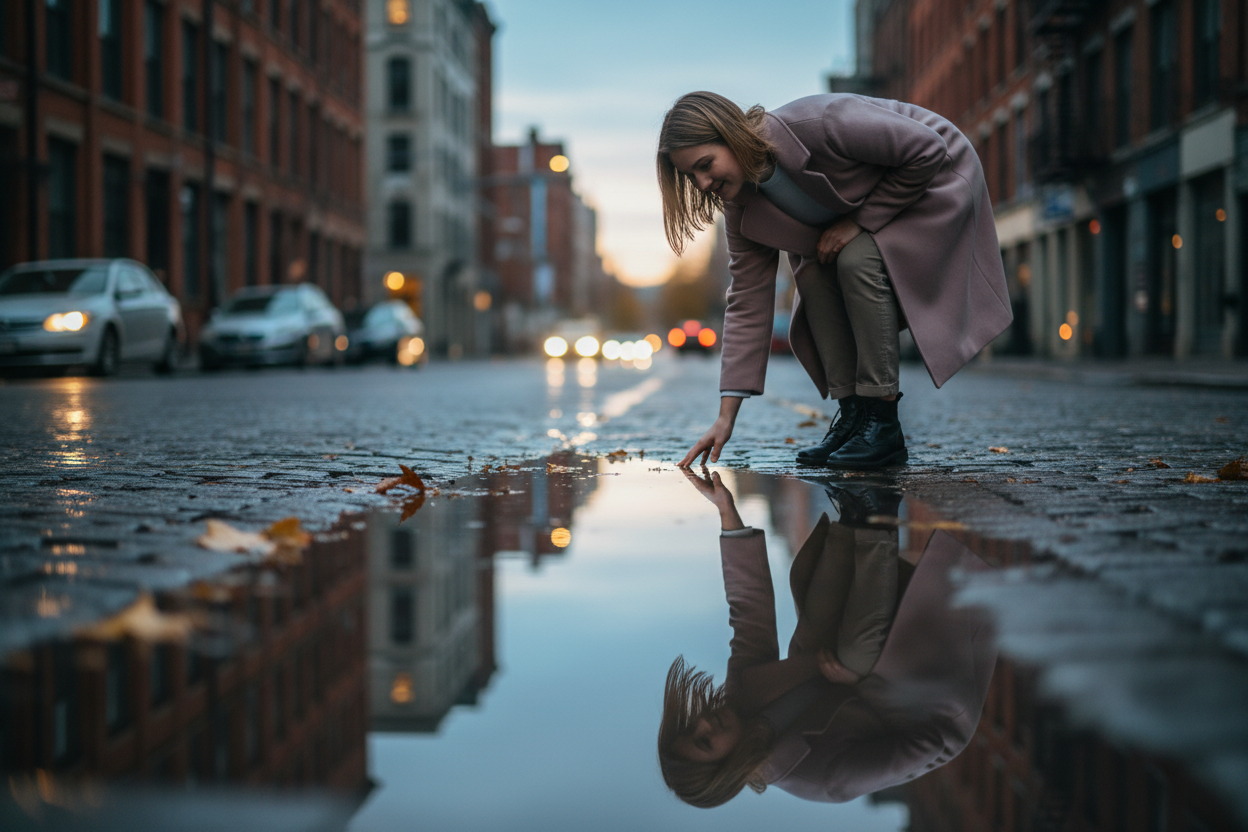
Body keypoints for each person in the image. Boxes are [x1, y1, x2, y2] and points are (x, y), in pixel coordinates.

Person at [659, 92, 1012, 469]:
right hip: (873, 217)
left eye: (705, 164)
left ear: (730, 135)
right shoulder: (742, 206)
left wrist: (860, 222)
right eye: (690, 175)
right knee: (811, 272)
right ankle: (856, 418)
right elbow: (747, 299)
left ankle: (882, 423)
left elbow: (929, 149)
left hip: (938, 180)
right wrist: (725, 417)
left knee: (855, 257)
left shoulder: (821, 123)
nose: (701, 183)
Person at [657, 469, 995, 808]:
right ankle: (879, 514)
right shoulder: (822, 778)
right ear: (728, 771)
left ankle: (855, 508)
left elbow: (749, 616)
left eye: (691, 729)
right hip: (917, 698)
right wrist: (859, 683)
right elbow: (936, 745)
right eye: (705, 742)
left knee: (817, 611)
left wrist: (726, 512)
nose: (704, 723)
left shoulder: (740, 699)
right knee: (851, 657)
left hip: (853, 641)